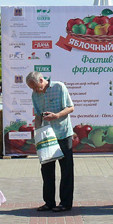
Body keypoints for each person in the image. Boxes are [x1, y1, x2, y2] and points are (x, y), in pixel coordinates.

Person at [27, 71, 75, 213]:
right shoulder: (35, 95)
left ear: (42, 80)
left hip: (63, 133)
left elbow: (70, 107)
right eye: (32, 89)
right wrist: (38, 134)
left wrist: (57, 116)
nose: (35, 91)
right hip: (47, 136)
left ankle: (65, 203)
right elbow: (38, 115)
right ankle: (49, 202)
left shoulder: (59, 87)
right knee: (46, 170)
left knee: (66, 170)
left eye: (37, 87)